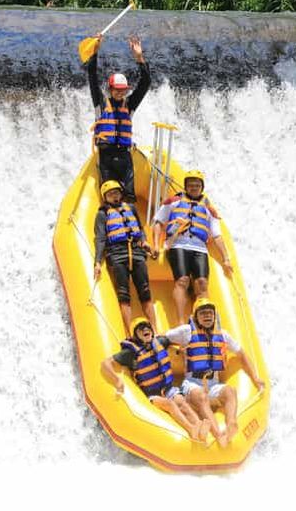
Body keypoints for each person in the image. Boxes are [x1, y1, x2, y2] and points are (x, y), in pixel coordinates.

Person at [165, 298, 265, 448]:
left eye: (210, 313)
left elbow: (241, 353)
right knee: (200, 395)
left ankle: (231, 424)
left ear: (214, 316)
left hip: (213, 384)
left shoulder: (223, 335)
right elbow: (163, 338)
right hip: (192, 384)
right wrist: (177, 349)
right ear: (196, 316)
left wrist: (255, 378)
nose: (207, 316)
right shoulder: (186, 331)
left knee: (230, 391)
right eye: (203, 313)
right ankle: (219, 435)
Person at [101, 317, 210, 442]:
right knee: (170, 404)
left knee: (182, 402)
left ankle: (199, 427)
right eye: (141, 330)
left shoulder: (160, 341)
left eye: (147, 328)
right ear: (136, 336)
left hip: (168, 389)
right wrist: (117, 381)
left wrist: (183, 348)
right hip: (151, 395)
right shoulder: (130, 353)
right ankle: (191, 429)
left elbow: (174, 339)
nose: (145, 330)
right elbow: (106, 363)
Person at [152, 170, 233, 325]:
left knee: (202, 283)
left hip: (200, 248)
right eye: (191, 185)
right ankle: (182, 322)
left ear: (202, 187)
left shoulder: (209, 209)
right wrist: (156, 245)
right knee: (182, 281)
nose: (194, 188)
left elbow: (217, 235)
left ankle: (204, 323)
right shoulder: (174, 201)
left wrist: (226, 258)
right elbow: (158, 222)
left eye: (197, 185)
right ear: (186, 186)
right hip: (178, 244)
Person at [87, 34, 150, 203]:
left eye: (123, 90)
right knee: (109, 196)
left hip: (124, 156)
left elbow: (146, 83)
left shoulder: (129, 105)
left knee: (128, 196)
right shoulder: (100, 104)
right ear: (110, 89)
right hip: (106, 157)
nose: (120, 92)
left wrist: (139, 58)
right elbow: (92, 78)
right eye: (116, 89)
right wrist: (94, 52)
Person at [94, 180, 158, 333]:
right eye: (110, 194)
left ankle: (155, 329)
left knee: (145, 290)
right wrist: (97, 261)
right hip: (117, 253)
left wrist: (144, 242)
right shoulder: (102, 214)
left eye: (116, 192)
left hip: (136, 250)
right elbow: (100, 238)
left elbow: (140, 229)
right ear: (105, 197)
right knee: (123, 294)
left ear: (121, 193)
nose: (114, 196)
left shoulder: (131, 208)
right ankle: (129, 332)